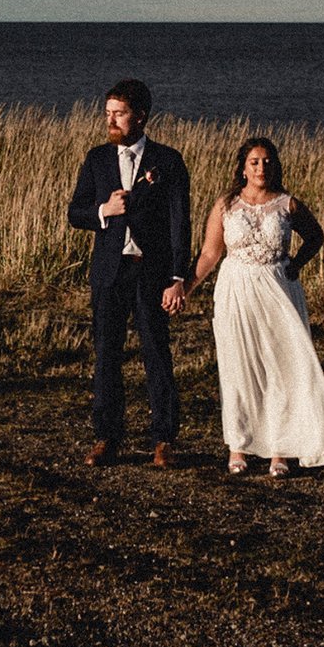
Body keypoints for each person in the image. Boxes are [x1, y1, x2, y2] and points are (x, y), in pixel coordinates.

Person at [191, 135, 324, 476]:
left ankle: (280, 449)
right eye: (255, 162)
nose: (262, 167)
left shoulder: (287, 204)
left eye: (268, 161)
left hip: (278, 289)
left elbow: (316, 237)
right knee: (239, 366)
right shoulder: (226, 205)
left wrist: (297, 263)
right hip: (236, 290)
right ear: (243, 168)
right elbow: (210, 253)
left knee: (282, 367)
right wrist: (185, 288)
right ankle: (239, 445)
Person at [64, 79, 192, 467]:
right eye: (107, 114)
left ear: (140, 116)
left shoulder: (167, 161)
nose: (111, 121)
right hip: (108, 272)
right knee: (106, 354)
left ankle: (163, 440)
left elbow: (180, 222)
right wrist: (105, 211)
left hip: (150, 272)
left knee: (156, 352)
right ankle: (106, 437)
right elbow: (75, 213)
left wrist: (177, 276)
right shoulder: (97, 159)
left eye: (118, 114)